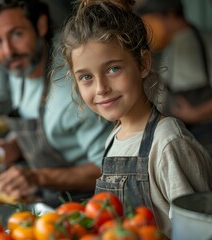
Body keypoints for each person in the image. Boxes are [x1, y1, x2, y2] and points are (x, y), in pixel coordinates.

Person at [58, 0, 212, 237]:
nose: (101, 88)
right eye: (86, 77)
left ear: (143, 64)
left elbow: (197, 231)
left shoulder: (167, 141)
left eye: (113, 69)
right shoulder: (114, 138)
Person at [0, 0, 112, 205]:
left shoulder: (76, 88)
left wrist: (37, 177)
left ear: (41, 25)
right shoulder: (19, 69)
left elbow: (107, 169)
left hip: (90, 206)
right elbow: (43, 125)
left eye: (17, 34)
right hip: (46, 201)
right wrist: (11, 145)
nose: (8, 51)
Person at [138, 0, 212, 155]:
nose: (149, 27)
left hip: (205, 131)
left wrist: (196, 114)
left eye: (153, 20)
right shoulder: (164, 45)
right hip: (175, 130)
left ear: (170, 14)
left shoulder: (206, 42)